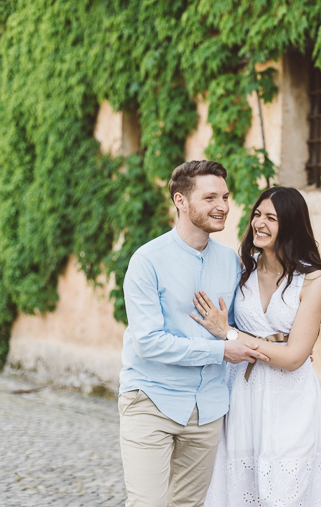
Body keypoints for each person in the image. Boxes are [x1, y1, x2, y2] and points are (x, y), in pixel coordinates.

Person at [118, 160, 269, 507]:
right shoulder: (147, 261)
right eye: (210, 197)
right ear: (181, 201)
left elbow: (234, 328)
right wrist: (219, 351)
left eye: (226, 197)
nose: (223, 206)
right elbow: (148, 343)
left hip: (208, 408)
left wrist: (284, 344)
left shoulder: (231, 262)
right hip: (151, 400)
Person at [189, 186, 321, 506]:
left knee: (285, 489)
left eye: (272, 217)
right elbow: (209, 317)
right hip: (242, 393)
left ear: (291, 224)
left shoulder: (313, 279)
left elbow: (295, 357)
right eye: (257, 214)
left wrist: (230, 334)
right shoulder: (241, 269)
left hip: (291, 397)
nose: (259, 223)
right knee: (241, 488)